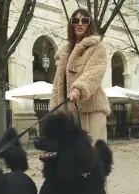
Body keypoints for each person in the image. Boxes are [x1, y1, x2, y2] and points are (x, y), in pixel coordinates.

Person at [50, 8, 111, 143]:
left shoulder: (97, 47)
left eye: (84, 20)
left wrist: (78, 88)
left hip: (92, 110)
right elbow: (58, 83)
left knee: (95, 156)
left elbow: (94, 71)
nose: (80, 23)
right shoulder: (65, 52)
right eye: (75, 20)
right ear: (71, 24)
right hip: (69, 112)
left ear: (89, 24)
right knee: (73, 158)